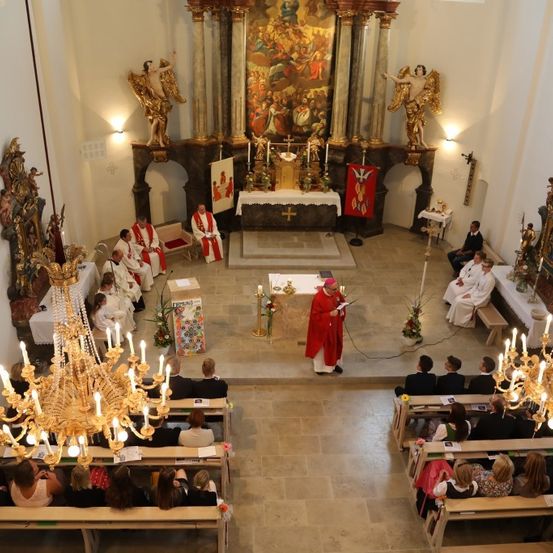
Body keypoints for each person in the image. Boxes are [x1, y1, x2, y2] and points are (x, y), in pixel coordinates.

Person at [305, 278, 346, 375]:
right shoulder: (318, 298)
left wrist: (342, 308)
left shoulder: (336, 293)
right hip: (322, 330)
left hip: (334, 327)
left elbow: (341, 302)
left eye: (336, 289)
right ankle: (320, 368)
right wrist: (329, 315)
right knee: (323, 349)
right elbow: (315, 317)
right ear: (326, 288)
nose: (336, 291)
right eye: (334, 289)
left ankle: (334, 365)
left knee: (335, 345)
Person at [446, 259, 496, 327]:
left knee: (459, 301)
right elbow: (476, 285)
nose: (482, 267)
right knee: (457, 298)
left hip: (481, 299)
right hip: (474, 293)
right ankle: (453, 318)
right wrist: (469, 293)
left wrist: (471, 297)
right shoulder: (482, 273)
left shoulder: (490, 280)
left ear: (490, 268)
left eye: (485, 266)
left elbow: (484, 294)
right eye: (482, 265)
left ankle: (462, 322)